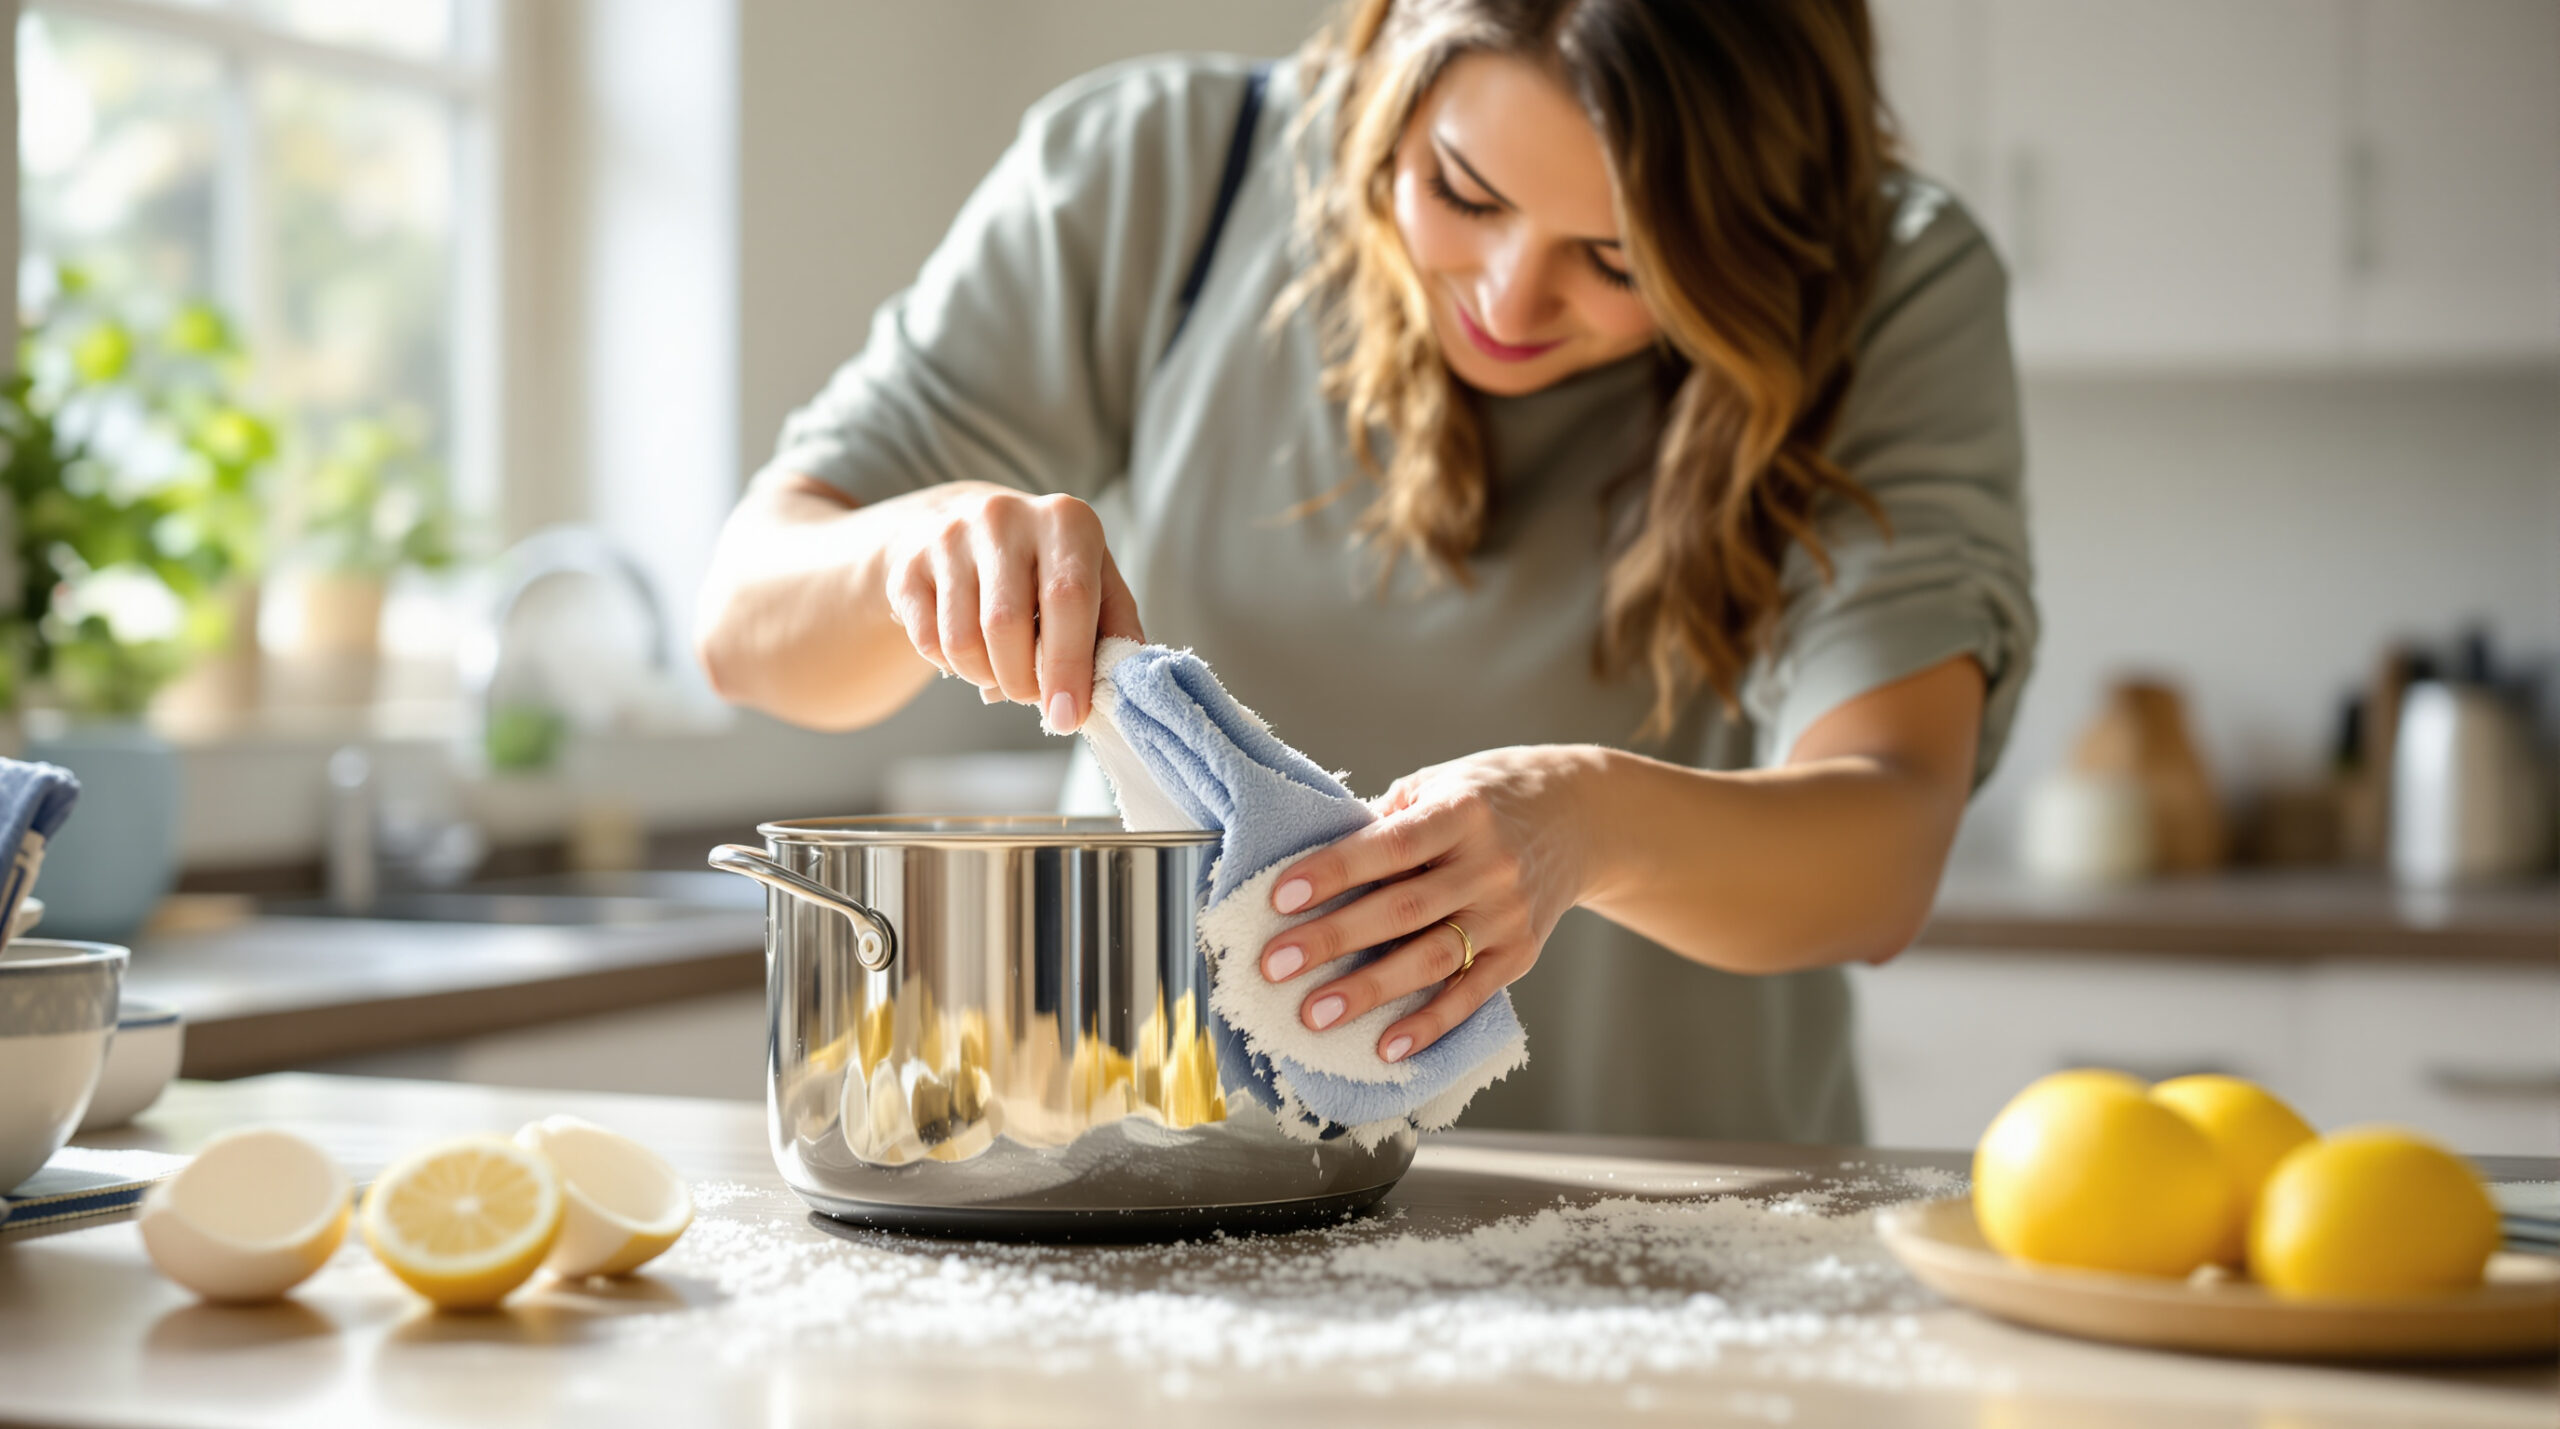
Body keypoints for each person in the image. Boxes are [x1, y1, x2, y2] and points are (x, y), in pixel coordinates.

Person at [695, 0, 2036, 1144]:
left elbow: (1883, 841)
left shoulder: (1891, 285)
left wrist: (1581, 818)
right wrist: (917, 551)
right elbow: (746, 625)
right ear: (1389, 60)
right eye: (1462, 190)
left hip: (1673, 1224)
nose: (1509, 302)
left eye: (1622, 258)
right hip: (1150, 1186)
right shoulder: (1164, 175)